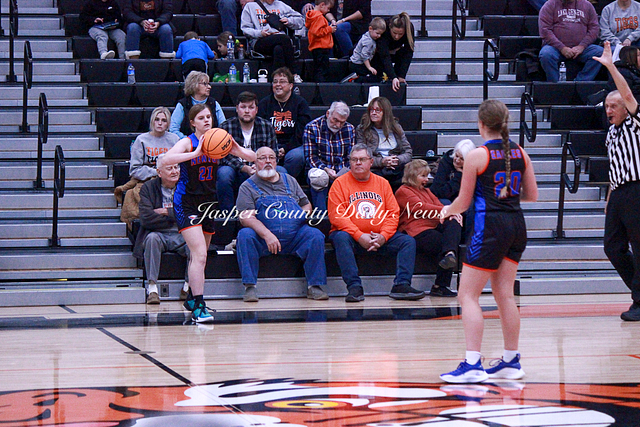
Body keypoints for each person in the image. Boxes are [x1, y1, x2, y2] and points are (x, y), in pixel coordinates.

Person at [439, 99, 538, 384]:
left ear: (481, 124)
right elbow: (532, 195)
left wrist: (447, 211)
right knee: (505, 294)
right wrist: (504, 194)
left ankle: (472, 364)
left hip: (490, 227)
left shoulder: (477, 156)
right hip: (516, 225)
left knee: (467, 295)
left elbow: (463, 201)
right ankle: (511, 360)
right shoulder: (521, 152)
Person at [162, 104, 256, 323]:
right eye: (201, 118)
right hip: (187, 202)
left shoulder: (219, 139)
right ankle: (199, 305)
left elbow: (254, 156)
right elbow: (165, 160)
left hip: (208, 202)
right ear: (192, 123)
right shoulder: (187, 142)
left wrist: (237, 150)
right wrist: (195, 153)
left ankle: (191, 300)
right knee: (200, 255)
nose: (206, 120)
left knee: (201, 256)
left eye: (208, 117)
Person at [328, 143, 423, 302]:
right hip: (352, 237)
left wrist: (383, 236)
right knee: (340, 237)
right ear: (349, 162)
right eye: (354, 160)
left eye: (362, 159)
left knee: (407, 241)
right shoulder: (339, 183)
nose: (358, 163)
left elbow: (392, 213)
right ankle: (354, 287)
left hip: (379, 236)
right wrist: (359, 236)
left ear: (371, 162)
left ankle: (401, 285)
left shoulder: (382, 183)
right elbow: (337, 216)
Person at [236, 146, 329, 302]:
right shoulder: (247, 186)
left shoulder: (290, 180)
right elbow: (246, 218)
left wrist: (300, 216)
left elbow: (306, 205)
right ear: (255, 162)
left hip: (294, 238)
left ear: (276, 161)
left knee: (315, 235)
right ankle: (250, 287)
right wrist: (267, 235)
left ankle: (315, 286)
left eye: (271, 158)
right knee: (245, 235)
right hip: (264, 240)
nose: (268, 161)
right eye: (262, 158)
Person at [593, 41, 640, 321]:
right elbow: (614, 168)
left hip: (637, 189)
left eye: (614, 106)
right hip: (619, 192)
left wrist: (611, 67)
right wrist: (610, 198)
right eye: (606, 106)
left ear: (625, 107)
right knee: (612, 247)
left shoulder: (636, 122)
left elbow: (628, 93)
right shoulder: (611, 133)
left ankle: (639, 301)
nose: (608, 110)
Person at [395, 159, 463, 297]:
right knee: (446, 242)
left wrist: (451, 214)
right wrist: (448, 210)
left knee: (454, 223)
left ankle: (449, 254)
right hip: (415, 232)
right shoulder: (403, 191)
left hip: (432, 226)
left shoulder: (426, 191)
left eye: (427, 176)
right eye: (423, 176)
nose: (427, 179)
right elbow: (420, 208)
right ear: (412, 175)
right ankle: (440, 285)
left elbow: (439, 206)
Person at [133, 155, 189, 304]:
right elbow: (146, 218)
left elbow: (192, 214)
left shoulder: (187, 186)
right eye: (169, 168)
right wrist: (176, 215)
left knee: (196, 243)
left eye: (177, 167)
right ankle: (152, 289)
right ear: (159, 172)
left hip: (182, 233)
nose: (174, 171)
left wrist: (166, 212)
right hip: (159, 233)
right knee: (151, 239)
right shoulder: (148, 188)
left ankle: (188, 287)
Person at [219, 91, 282, 213]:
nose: (247, 111)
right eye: (243, 107)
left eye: (251, 107)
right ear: (237, 109)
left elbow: (273, 153)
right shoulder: (225, 127)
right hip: (235, 169)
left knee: (281, 171)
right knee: (224, 173)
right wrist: (244, 168)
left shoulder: (266, 126)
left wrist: (259, 166)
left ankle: (275, 212)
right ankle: (227, 215)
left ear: (256, 110)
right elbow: (223, 156)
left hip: (260, 167)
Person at [115, 107, 179, 206]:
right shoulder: (141, 140)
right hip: (147, 181)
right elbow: (134, 170)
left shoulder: (175, 139)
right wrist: (157, 172)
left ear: (168, 123)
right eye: (157, 119)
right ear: (152, 121)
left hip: (170, 181)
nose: (160, 123)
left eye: (164, 120)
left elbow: (180, 165)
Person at [258, 67, 312, 179]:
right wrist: (273, 149)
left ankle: (286, 182)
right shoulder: (264, 103)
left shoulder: (300, 104)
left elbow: (301, 133)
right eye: (275, 82)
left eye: (282, 81)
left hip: (293, 146)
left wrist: (286, 148)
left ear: (291, 85)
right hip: (269, 145)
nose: (278, 85)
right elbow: (260, 131)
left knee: (297, 156)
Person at [303, 101, 355, 211]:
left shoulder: (350, 129)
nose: (338, 125)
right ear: (328, 114)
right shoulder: (312, 127)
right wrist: (326, 169)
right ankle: (321, 214)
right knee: (319, 179)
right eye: (335, 120)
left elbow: (351, 157)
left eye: (342, 122)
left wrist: (344, 171)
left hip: (341, 169)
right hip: (320, 169)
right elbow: (311, 157)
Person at [355, 96, 412, 191]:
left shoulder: (396, 128)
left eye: (377, 110)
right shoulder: (363, 129)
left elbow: (408, 152)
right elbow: (362, 156)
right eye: (371, 110)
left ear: (385, 112)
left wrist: (397, 160)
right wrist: (382, 162)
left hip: (396, 167)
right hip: (376, 169)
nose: (373, 113)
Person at [538, 0, 603, 82]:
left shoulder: (587, 5)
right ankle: (555, 84)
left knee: (599, 52)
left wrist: (582, 46)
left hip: (582, 49)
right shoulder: (550, 4)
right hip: (555, 48)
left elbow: (594, 29)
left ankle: (581, 83)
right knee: (546, 54)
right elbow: (545, 30)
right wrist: (562, 48)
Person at [240, 0, 305, 79]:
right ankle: (292, 74)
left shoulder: (281, 5)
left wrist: (289, 21)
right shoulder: (250, 6)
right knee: (284, 39)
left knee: (278, 49)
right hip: (260, 40)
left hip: (280, 40)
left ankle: (276, 79)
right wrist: (260, 33)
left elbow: (301, 20)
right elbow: (245, 29)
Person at [169, 71, 226, 140]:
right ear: (194, 85)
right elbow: (173, 129)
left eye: (209, 84)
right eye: (205, 84)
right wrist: (189, 140)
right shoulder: (183, 104)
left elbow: (224, 127)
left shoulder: (214, 103)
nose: (209, 87)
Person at [371, 12, 414, 92]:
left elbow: (409, 52)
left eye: (400, 34)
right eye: (394, 33)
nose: (397, 37)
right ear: (390, 27)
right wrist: (393, 76)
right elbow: (384, 55)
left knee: (403, 53)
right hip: (377, 53)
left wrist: (401, 75)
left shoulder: (409, 28)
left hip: (394, 51)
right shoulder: (384, 28)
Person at [430, 139, 476, 203]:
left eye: (462, 159)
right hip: (446, 198)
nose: (457, 160)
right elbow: (437, 191)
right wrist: (459, 175)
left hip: (464, 199)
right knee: (445, 202)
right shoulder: (445, 163)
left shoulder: (474, 167)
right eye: (456, 156)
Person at [343, 17, 385, 82]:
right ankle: (354, 79)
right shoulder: (368, 41)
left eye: (380, 34)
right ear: (370, 29)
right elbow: (364, 55)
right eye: (377, 33)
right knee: (371, 75)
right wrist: (369, 67)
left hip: (357, 63)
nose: (379, 36)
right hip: (357, 64)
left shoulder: (368, 35)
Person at [306, 0, 337, 82]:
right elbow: (317, 31)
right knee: (322, 69)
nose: (328, 10)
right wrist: (330, 29)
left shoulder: (313, 15)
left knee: (318, 67)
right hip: (321, 47)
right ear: (322, 5)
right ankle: (321, 85)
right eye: (328, 8)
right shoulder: (318, 17)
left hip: (317, 46)